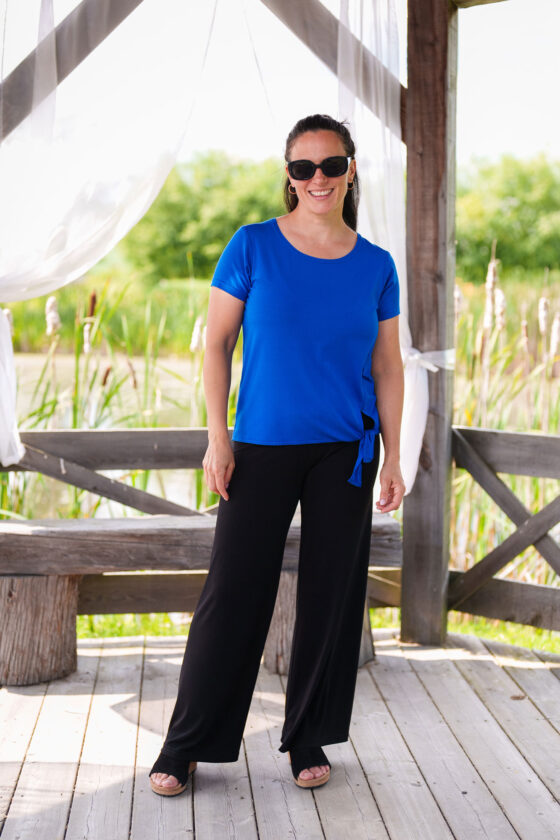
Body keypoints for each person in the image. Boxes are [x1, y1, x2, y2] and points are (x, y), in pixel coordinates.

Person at [149, 113, 405, 796]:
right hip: (258, 447)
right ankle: (186, 743)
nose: (317, 179)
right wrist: (217, 436)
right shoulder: (252, 245)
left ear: (351, 170)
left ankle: (307, 738)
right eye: (303, 168)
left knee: (331, 596)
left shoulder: (377, 265)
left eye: (331, 165)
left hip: (345, 452)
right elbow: (214, 344)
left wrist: (396, 455)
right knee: (232, 593)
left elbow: (389, 368)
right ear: (288, 176)